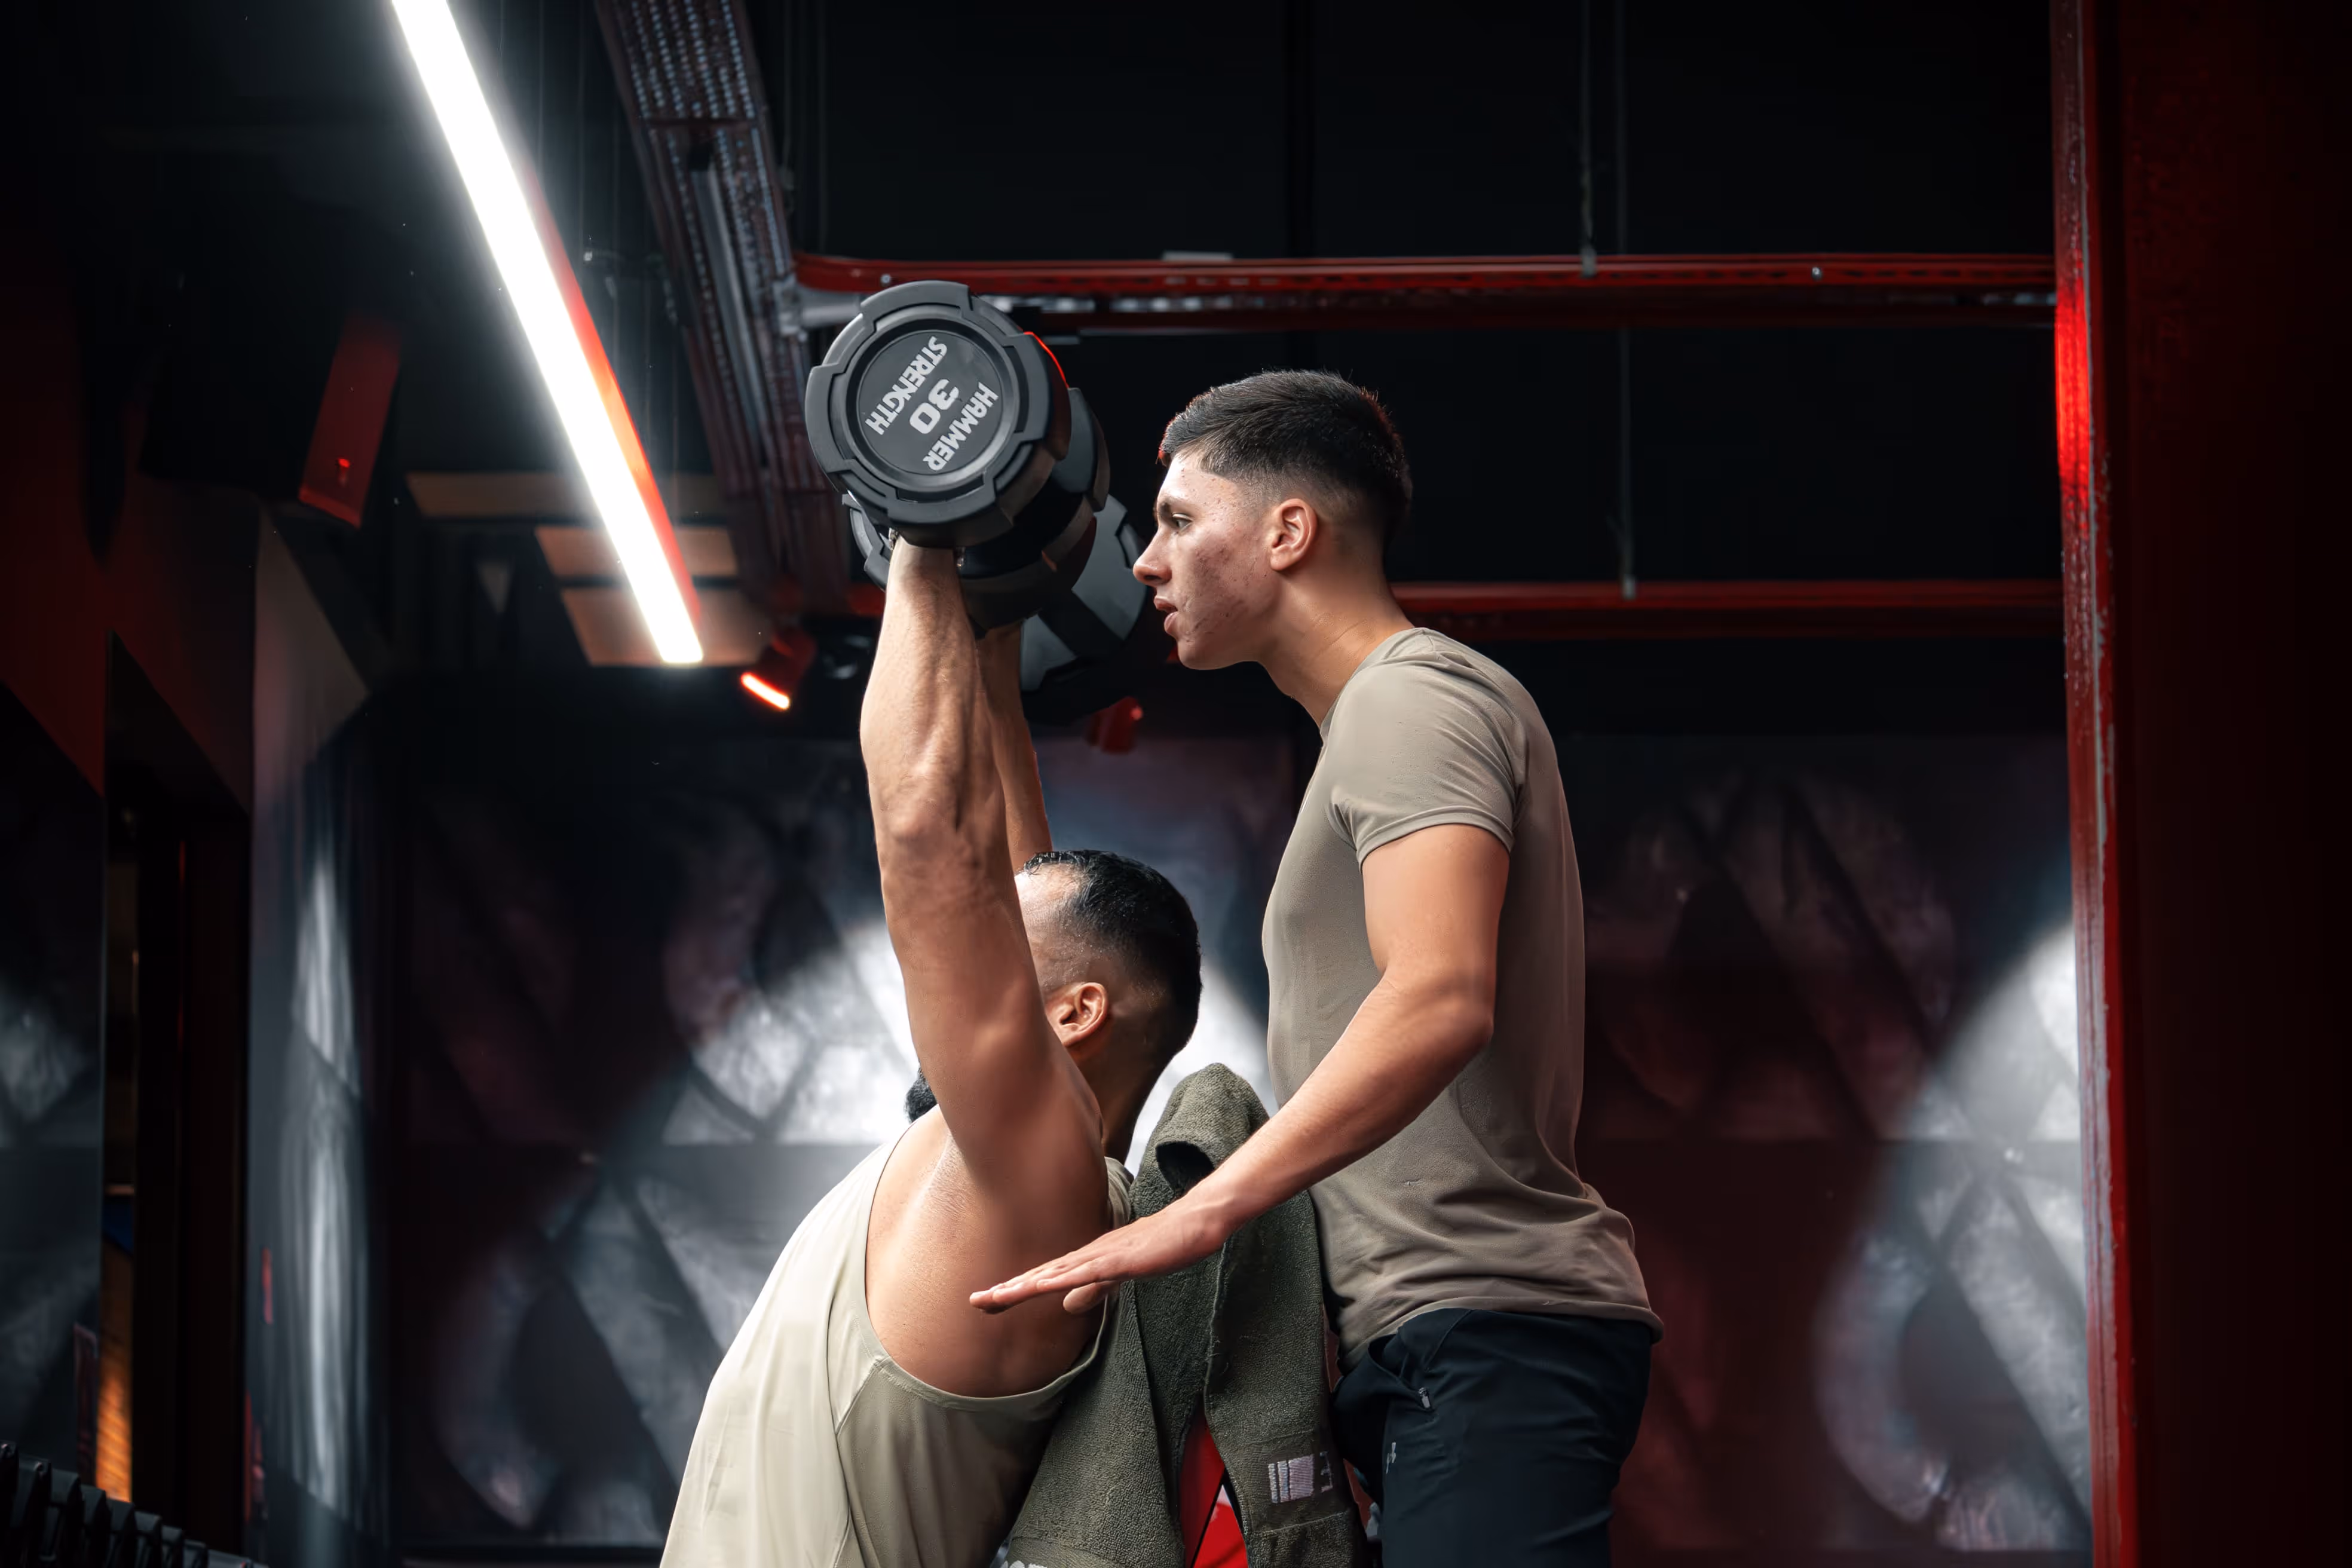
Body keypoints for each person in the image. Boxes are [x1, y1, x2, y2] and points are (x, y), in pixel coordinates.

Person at [973, 371, 1660, 1565]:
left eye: (1183, 521)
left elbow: (1440, 993)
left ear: (1292, 531)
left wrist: (1203, 1215)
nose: (1149, 562)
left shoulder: (1413, 699)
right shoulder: (1374, 727)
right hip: (1439, 1338)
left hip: (1490, 1325)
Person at [661, 543, 1202, 1568]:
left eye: (1008, 932)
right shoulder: (1017, 1167)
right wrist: (989, 632)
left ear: (1075, 1015)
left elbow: (930, 832)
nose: (985, 925)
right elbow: (1006, 852)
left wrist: (923, 542)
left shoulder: (1046, 1192)